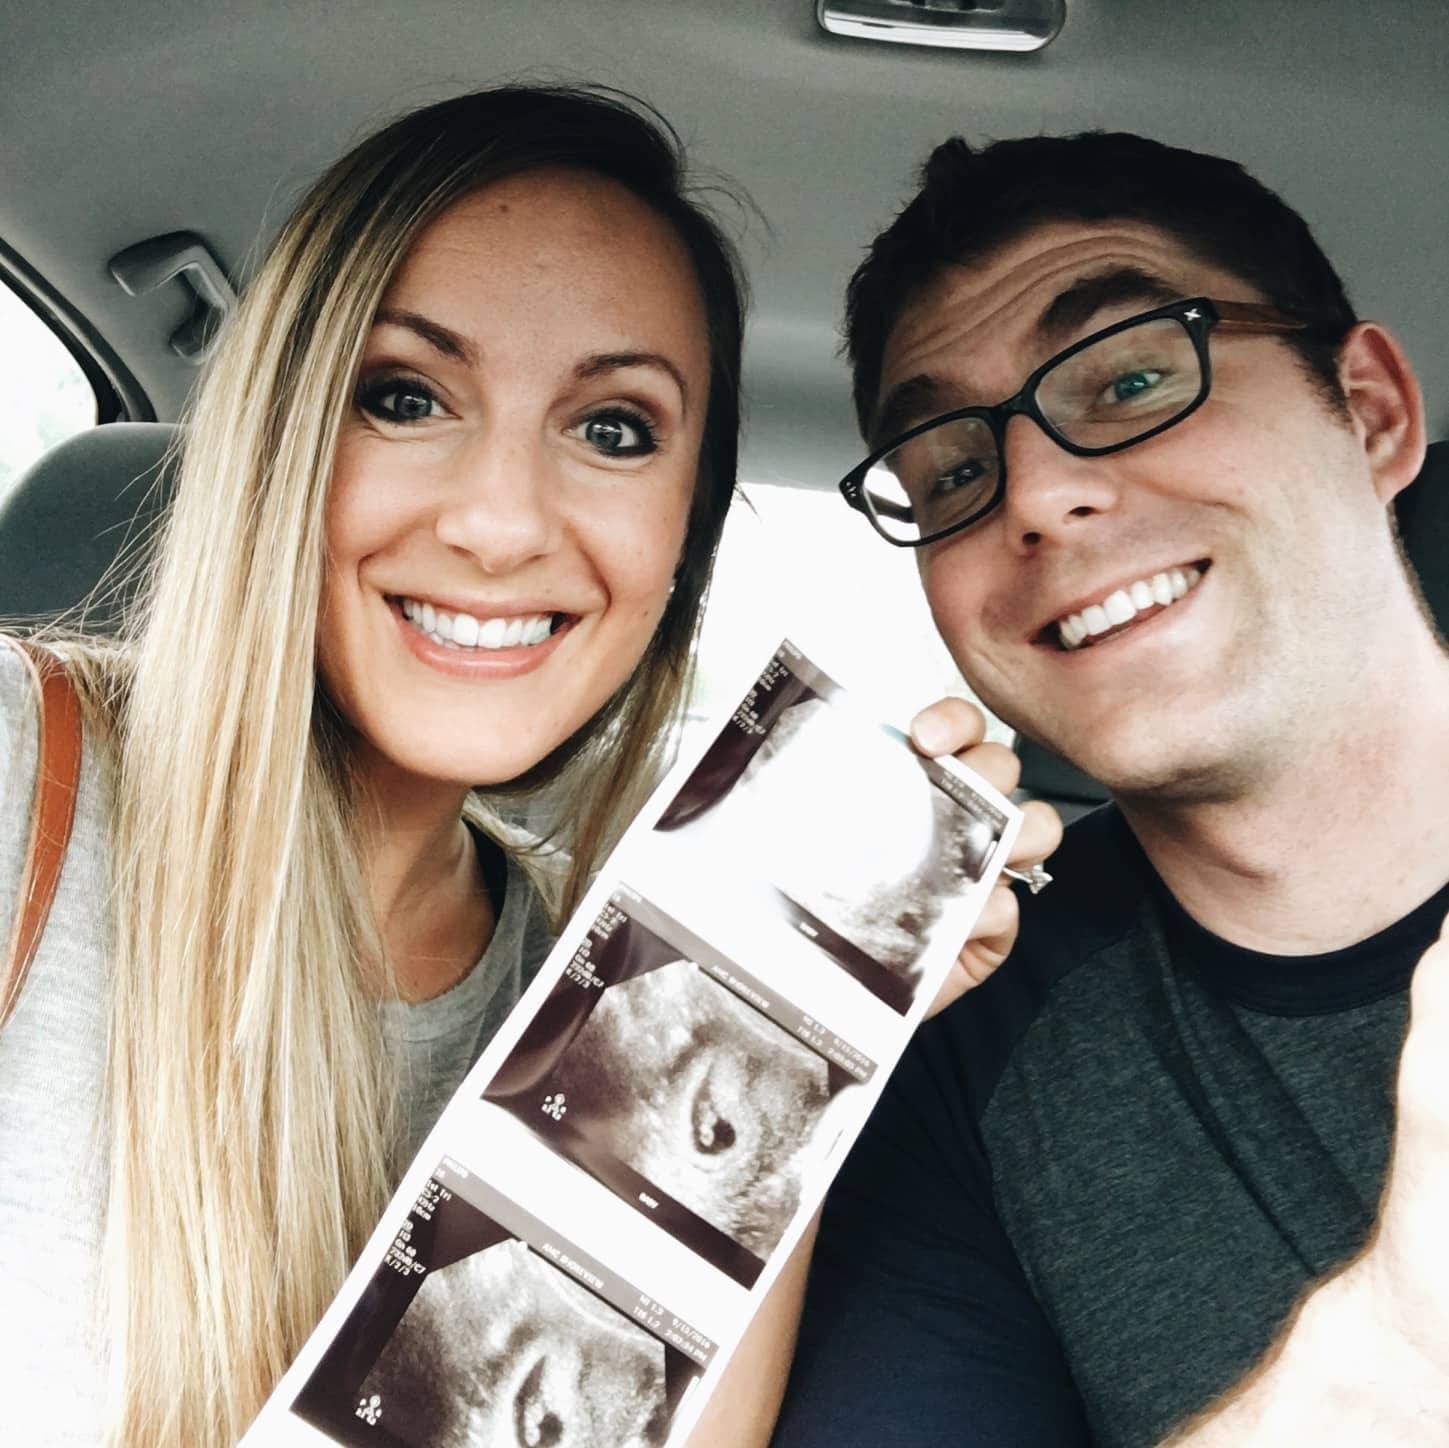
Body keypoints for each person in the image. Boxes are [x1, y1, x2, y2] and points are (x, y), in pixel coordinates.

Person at [0, 86, 1054, 1448]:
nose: (501, 523)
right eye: (403, 397)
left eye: (613, 428)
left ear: (682, 536)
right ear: (274, 439)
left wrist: (806, 1020)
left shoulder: (608, 995)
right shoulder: (25, 769)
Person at [771, 131, 1449, 1446]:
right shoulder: (961, 1054)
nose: (1036, 495)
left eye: (1133, 377)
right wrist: (1380, 1366)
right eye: (954, 471)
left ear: (1369, 413)